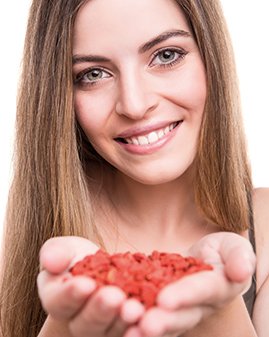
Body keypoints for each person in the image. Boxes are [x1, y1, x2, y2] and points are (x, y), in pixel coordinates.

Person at [0, 0, 268, 336]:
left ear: (210, 54)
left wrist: (220, 312)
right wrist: (63, 327)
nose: (135, 105)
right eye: (93, 74)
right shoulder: (33, 221)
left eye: (166, 55)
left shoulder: (266, 225)